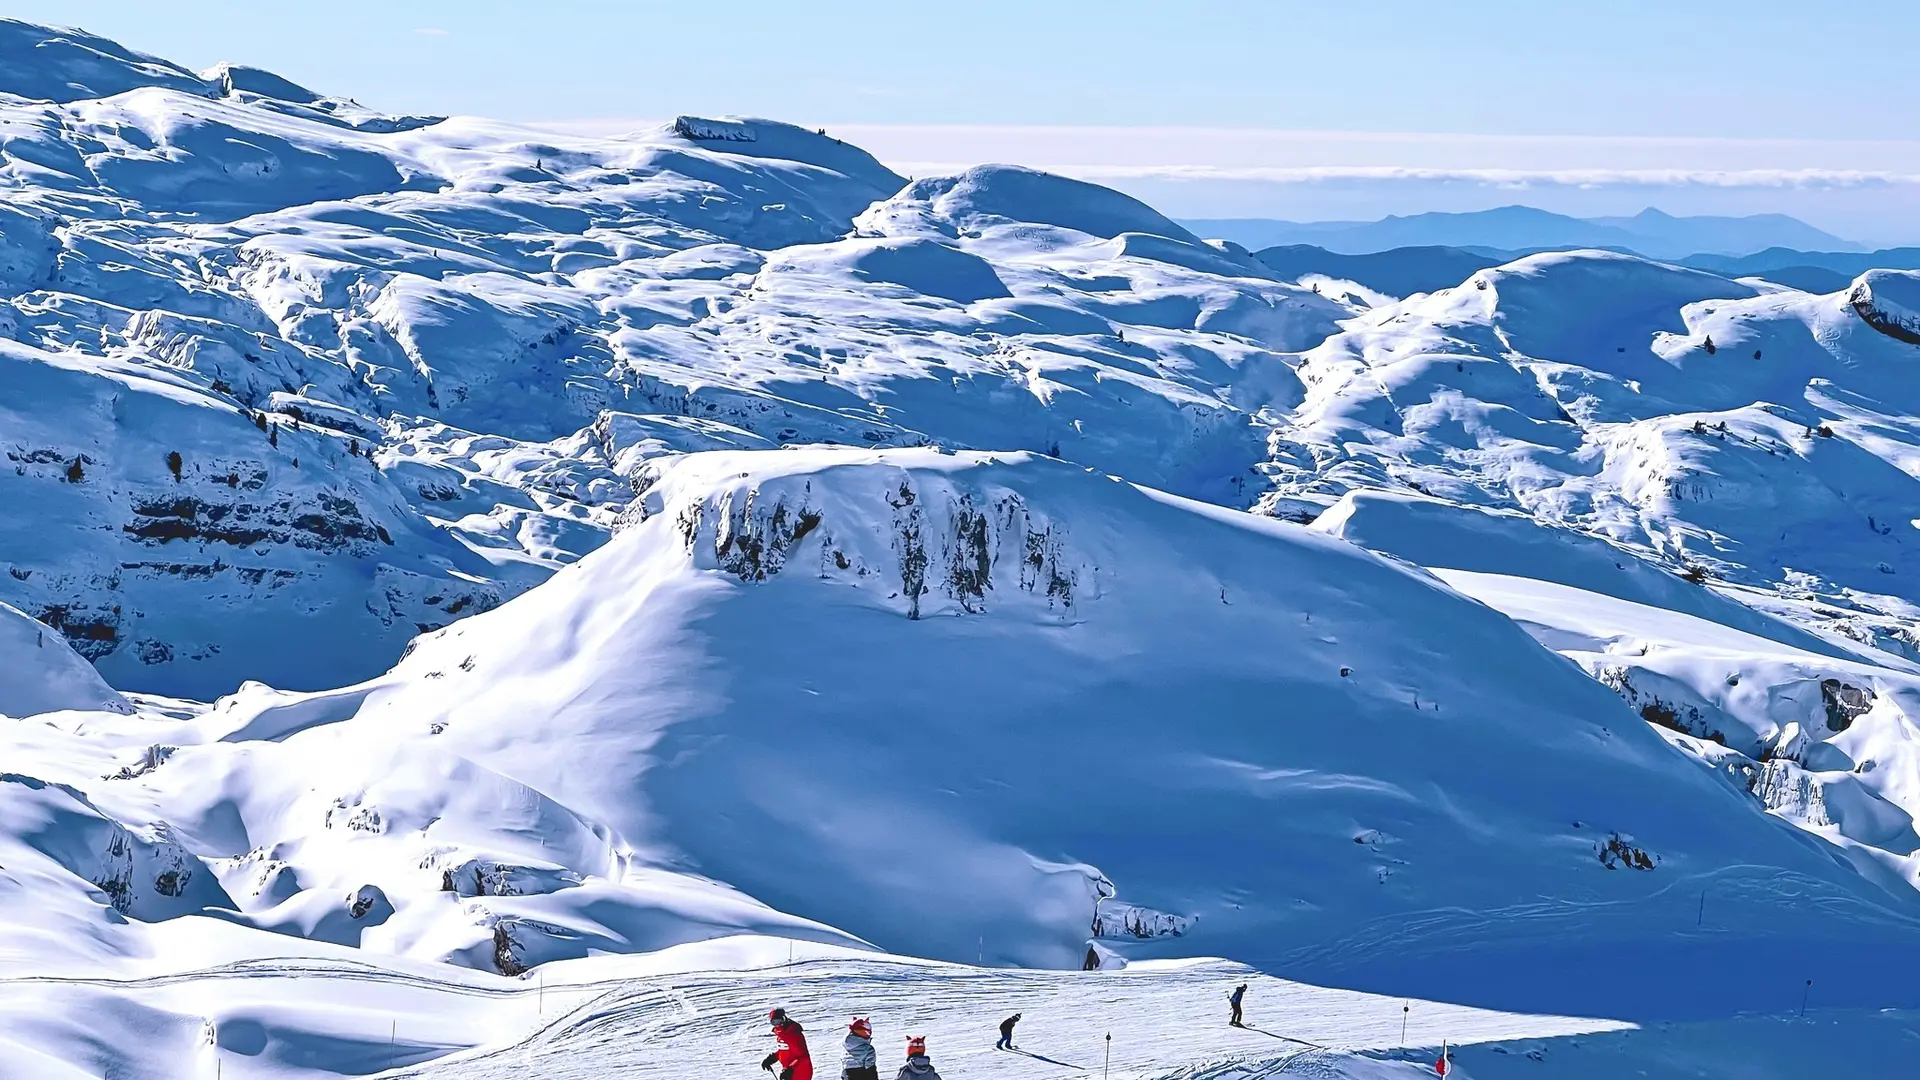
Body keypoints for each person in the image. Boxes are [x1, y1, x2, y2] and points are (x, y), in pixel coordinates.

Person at [762, 1007, 814, 1080]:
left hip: (801, 1071)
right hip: (790, 1071)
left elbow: (803, 1057)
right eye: (774, 1022)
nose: (777, 1025)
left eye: (779, 1021)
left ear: (784, 1019)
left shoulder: (794, 1034)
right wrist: (772, 1058)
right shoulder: (782, 1035)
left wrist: (790, 1069)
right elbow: (785, 1050)